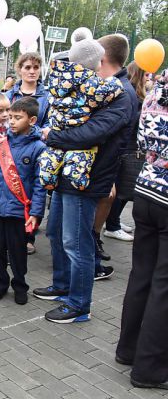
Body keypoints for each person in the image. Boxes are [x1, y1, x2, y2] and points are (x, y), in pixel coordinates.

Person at [33, 34, 137, 324]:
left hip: (88, 180)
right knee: (56, 233)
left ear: (99, 61)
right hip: (68, 175)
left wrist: (52, 137)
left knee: (77, 243)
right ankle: (63, 285)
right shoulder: (91, 89)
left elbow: (90, 134)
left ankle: (79, 304)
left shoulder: (120, 94)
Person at [115, 70, 168, 390]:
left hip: (146, 190)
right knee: (164, 285)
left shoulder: (156, 92)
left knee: (142, 275)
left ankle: (128, 349)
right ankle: (150, 368)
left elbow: (144, 139)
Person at [0, 97, 46, 305]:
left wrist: (35, 212)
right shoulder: (1, 144)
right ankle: (0, 283)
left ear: (32, 120)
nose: (11, 121)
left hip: (19, 211)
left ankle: (20, 284)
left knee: (18, 251)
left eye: (17, 117)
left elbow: (39, 184)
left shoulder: (38, 148)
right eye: (10, 117)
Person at [39, 37, 123, 191]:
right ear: (93, 62)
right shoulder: (88, 81)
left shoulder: (58, 75)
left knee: (52, 154)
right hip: (76, 123)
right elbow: (102, 94)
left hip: (57, 124)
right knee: (81, 154)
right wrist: (116, 83)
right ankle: (77, 177)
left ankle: (47, 176)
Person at [89, 35, 139, 280]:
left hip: (101, 171)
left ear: (103, 57)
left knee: (87, 230)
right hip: (101, 171)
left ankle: (92, 268)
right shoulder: (115, 87)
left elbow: (100, 134)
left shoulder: (120, 92)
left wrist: (60, 136)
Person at [5, 52, 51, 256]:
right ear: (20, 70)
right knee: (11, 186)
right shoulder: (10, 94)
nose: (32, 71)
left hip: (36, 146)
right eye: (27, 67)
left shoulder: (47, 96)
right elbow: (2, 119)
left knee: (32, 189)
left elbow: (51, 121)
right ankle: (8, 234)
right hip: (12, 146)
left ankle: (29, 234)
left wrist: (43, 130)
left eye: (35, 67)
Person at [102, 61, 147, 242]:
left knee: (124, 188)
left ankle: (114, 221)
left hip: (129, 146)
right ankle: (112, 225)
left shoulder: (133, 94)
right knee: (123, 189)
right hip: (129, 147)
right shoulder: (133, 95)